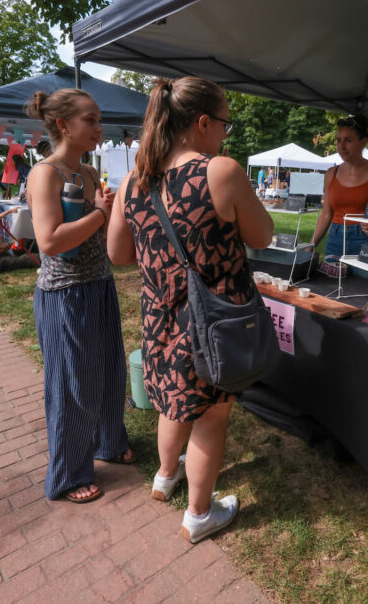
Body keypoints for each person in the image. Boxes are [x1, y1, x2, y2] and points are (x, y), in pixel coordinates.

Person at [107, 76, 273, 542]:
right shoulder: (219, 171)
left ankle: (165, 477)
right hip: (213, 316)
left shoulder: (133, 181)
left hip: (160, 313)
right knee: (211, 415)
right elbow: (262, 236)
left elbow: (119, 254)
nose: (225, 133)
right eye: (224, 123)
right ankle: (199, 515)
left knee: (174, 401)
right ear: (202, 123)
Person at [24, 87, 132, 504]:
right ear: (64, 125)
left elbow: (94, 234)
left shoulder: (86, 173)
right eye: (91, 120)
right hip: (64, 294)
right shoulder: (44, 173)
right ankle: (69, 474)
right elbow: (49, 241)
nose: (99, 128)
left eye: (99, 120)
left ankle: (108, 442)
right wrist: (102, 214)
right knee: (72, 384)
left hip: (98, 286)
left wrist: (108, 217)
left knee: (107, 374)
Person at [311, 114, 368, 263]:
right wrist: (310, 246)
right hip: (335, 239)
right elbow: (326, 214)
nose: (341, 146)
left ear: (363, 142)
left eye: (348, 140)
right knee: (331, 285)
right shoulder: (331, 173)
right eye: (339, 140)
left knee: (365, 285)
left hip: (367, 239)